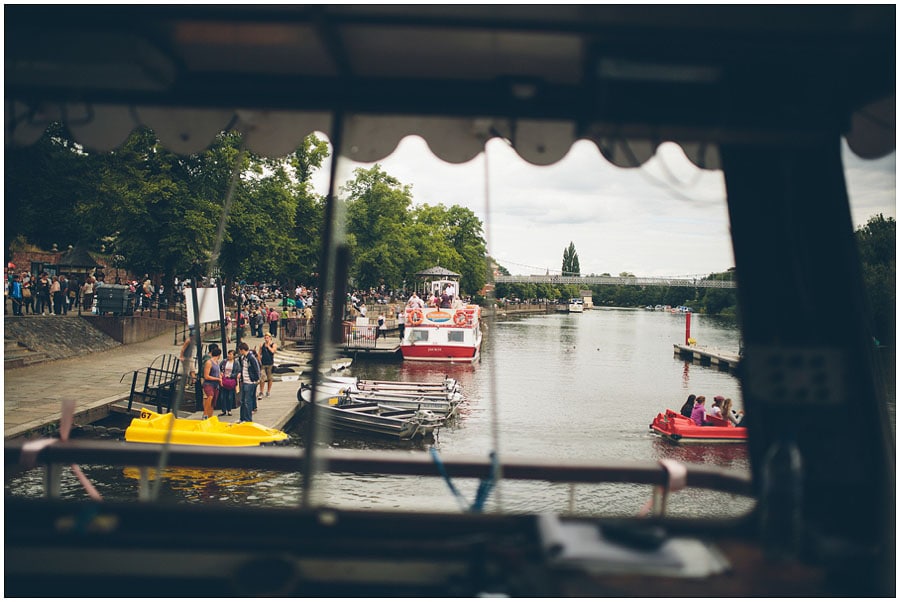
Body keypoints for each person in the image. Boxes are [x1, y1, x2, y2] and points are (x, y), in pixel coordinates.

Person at [237, 342, 261, 423]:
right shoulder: (244, 358)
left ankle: (248, 419)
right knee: (243, 401)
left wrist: (256, 379)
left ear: (242, 350)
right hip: (245, 381)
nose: (240, 352)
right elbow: (243, 368)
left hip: (250, 382)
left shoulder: (251, 358)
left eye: (240, 350)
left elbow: (256, 369)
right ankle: (242, 418)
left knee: (247, 401)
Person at [201, 344, 222, 419]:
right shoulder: (209, 362)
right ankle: (205, 414)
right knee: (210, 396)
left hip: (215, 385)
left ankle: (210, 416)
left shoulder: (217, 363)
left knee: (213, 401)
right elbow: (206, 376)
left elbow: (218, 373)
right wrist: (217, 379)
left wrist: (220, 377)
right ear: (219, 355)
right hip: (209, 383)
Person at [218, 349, 240, 416]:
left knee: (230, 396)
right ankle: (223, 410)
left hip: (231, 380)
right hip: (224, 380)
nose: (229, 356)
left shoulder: (236, 363)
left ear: (234, 356)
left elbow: (237, 371)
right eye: (228, 354)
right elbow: (220, 368)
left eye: (230, 354)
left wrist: (231, 375)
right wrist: (221, 374)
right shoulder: (224, 361)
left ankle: (229, 410)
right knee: (222, 396)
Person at [257, 333, 277, 399]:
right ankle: (261, 392)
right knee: (262, 378)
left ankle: (268, 391)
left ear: (270, 338)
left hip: (270, 363)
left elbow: (273, 351)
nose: (266, 339)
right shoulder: (262, 345)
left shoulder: (273, 344)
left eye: (267, 337)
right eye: (265, 338)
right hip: (263, 363)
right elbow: (259, 353)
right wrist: (259, 360)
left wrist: (268, 346)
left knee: (269, 378)